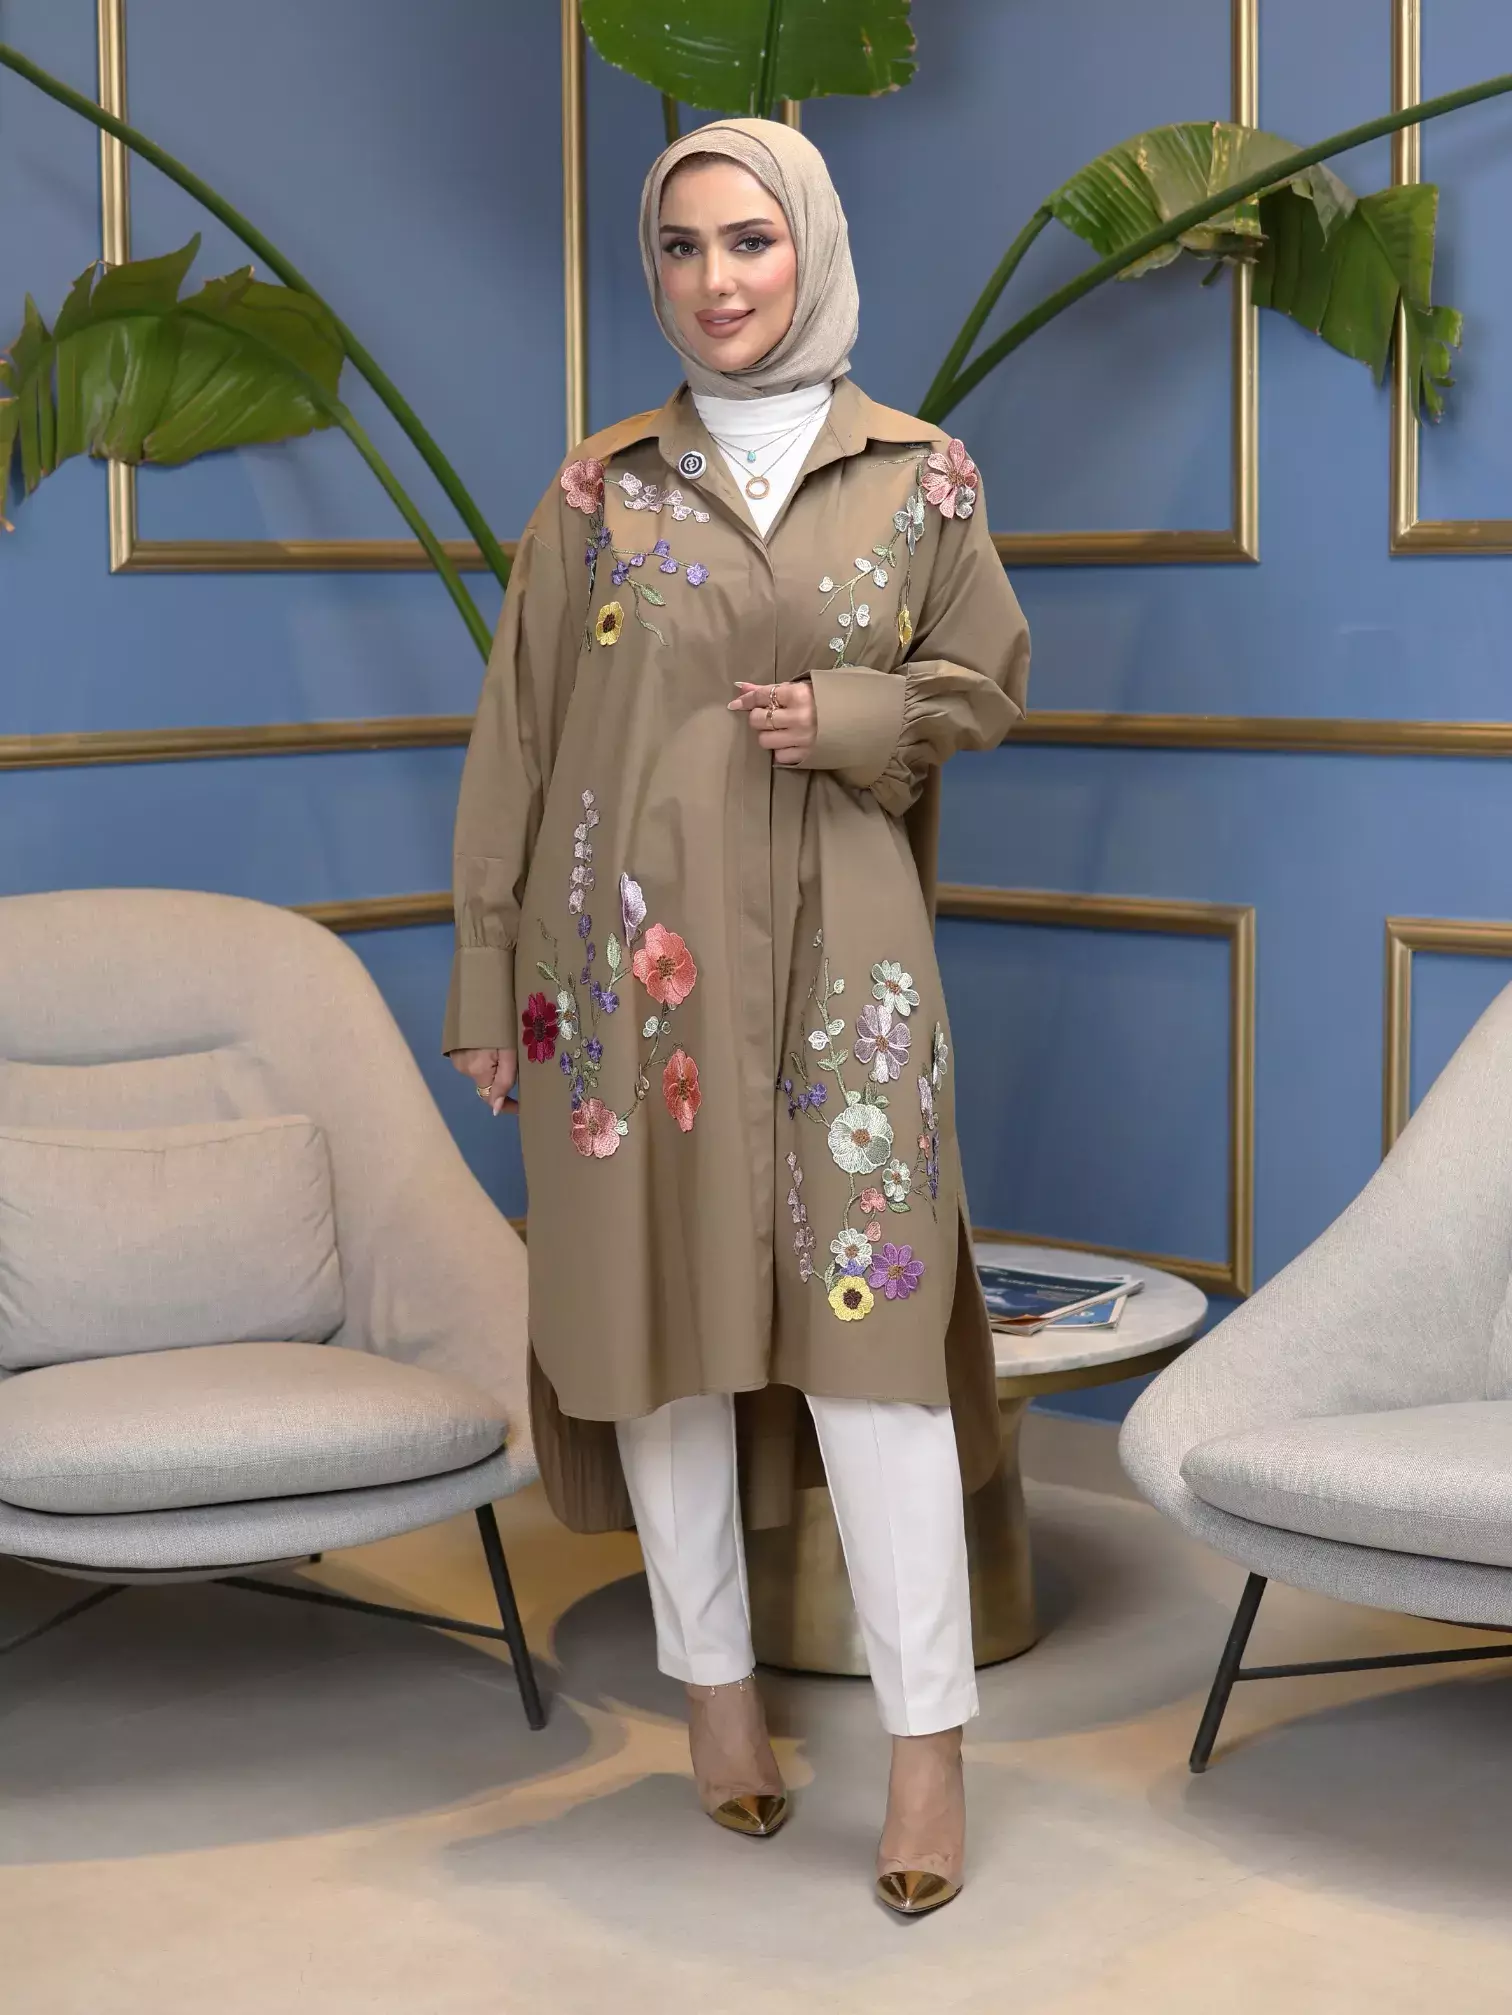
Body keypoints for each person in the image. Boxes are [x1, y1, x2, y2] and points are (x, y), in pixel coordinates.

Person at [445, 117, 1029, 1917]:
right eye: (683, 247)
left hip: (849, 978)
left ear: (812, 249)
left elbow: (985, 678)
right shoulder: (597, 492)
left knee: (879, 1361)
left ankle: (928, 1749)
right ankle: (715, 1695)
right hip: (626, 980)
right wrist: (487, 978)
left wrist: (860, 719)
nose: (716, 280)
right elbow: (518, 742)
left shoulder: (923, 476)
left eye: (750, 241)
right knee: (667, 1341)